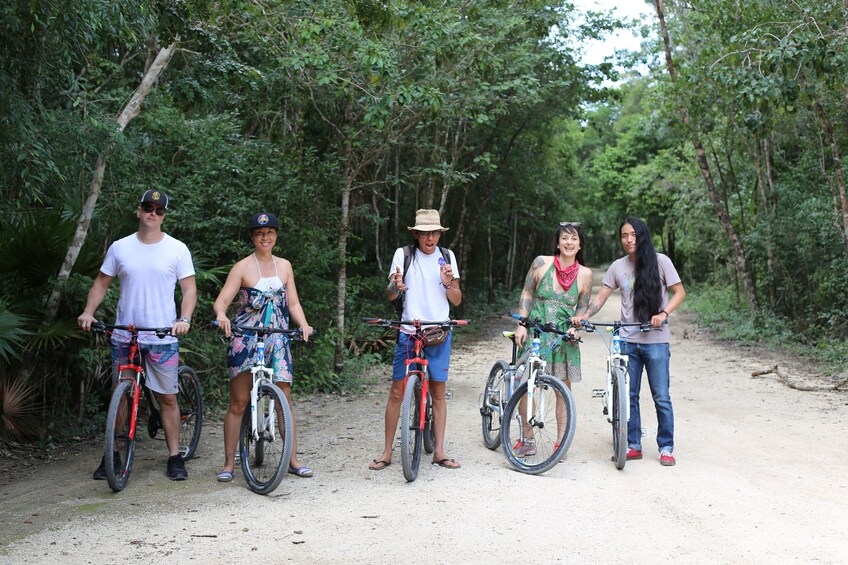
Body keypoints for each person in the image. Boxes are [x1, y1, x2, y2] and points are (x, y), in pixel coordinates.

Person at [78, 189, 197, 481]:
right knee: (121, 396)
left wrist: (184, 318)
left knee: (167, 398)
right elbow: (101, 283)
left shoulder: (177, 249)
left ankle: (174, 456)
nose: (152, 213)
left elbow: (189, 289)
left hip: (161, 336)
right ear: (138, 210)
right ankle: (113, 456)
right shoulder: (120, 248)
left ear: (164, 215)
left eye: (158, 210)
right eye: (147, 207)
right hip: (125, 335)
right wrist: (88, 312)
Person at [574, 217, 685, 466]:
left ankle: (666, 447)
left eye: (633, 234)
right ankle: (633, 444)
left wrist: (663, 314)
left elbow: (680, 292)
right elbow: (601, 298)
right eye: (624, 235)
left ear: (642, 235)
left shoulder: (661, 262)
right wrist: (583, 316)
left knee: (661, 397)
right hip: (628, 340)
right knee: (629, 395)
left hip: (656, 341)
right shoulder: (617, 267)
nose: (629, 239)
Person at [213, 212, 314, 482]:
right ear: (252, 237)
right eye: (259, 233)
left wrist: (303, 324)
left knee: (284, 399)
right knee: (238, 402)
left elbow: (293, 303)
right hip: (245, 337)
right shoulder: (242, 267)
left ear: (276, 236)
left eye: (269, 232)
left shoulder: (285, 266)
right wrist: (222, 316)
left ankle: (292, 460)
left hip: (278, 337)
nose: (264, 237)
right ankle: (228, 464)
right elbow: (221, 301)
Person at [369, 209, 462, 471]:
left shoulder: (447, 257)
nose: (429, 238)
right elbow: (390, 294)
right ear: (416, 234)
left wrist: (447, 283)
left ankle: (439, 452)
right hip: (409, 331)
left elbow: (457, 300)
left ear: (439, 234)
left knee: (439, 393)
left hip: (439, 333)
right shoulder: (404, 255)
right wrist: (394, 287)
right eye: (424, 233)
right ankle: (387, 452)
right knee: (397, 391)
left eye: (434, 232)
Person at [511, 222, 593, 455]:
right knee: (527, 385)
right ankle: (527, 441)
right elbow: (527, 292)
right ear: (558, 243)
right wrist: (522, 324)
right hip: (536, 331)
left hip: (562, 338)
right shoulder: (541, 263)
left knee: (562, 391)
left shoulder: (586, 275)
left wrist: (576, 327)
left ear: (579, 245)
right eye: (565, 238)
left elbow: (582, 308)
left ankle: (561, 444)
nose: (569, 242)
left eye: (574, 239)